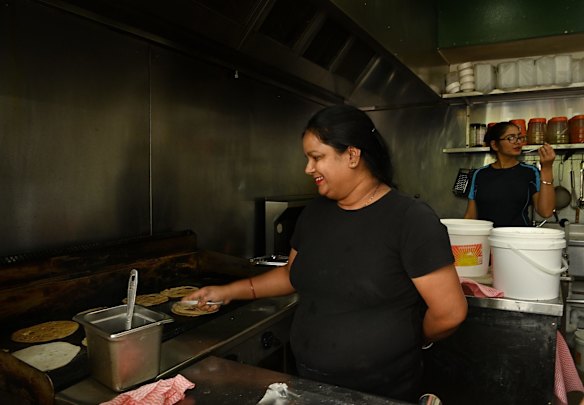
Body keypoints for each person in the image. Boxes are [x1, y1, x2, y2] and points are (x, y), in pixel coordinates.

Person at [183, 105, 468, 402]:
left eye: (317, 157)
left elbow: (449, 313)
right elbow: (290, 274)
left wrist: (410, 339)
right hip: (309, 381)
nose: (308, 168)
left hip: (380, 390)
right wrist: (228, 291)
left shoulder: (410, 219)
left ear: (353, 155)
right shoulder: (316, 212)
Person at [464, 121, 556, 227]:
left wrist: (547, 168)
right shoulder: (480, 174)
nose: (518, 142)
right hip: (488, 239)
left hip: (518, 238)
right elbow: (471, 216)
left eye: (519, 137)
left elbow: (546, 211)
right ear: (494, 145)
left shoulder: (529, 172)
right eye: (511, 138)